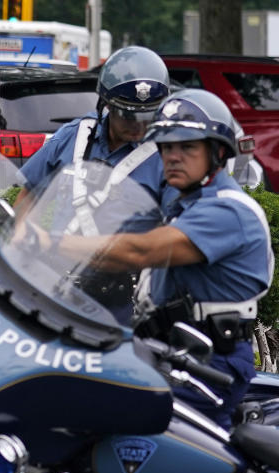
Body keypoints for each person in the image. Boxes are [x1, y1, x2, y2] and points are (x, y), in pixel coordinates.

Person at [32, 89, 273, 428]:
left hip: (208, 363)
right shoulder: (187, 206)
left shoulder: (226, 211)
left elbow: (139, 251)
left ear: (218, 153)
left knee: (116, 442)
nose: (173, 157)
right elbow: (118, 257)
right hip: (171, 352)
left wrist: (48, 243)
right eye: (166, 147)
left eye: (187, 147)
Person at [16, 46, 171, 211]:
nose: (139, 125)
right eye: (128, 117)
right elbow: (28, 195)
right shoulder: (72, 137)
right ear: (106, 105)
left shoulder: (167, 155)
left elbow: (178, 228)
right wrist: (20, 232)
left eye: (148, 116)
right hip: (61, 237)